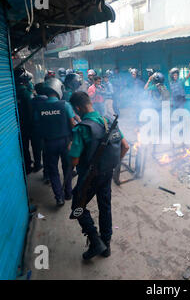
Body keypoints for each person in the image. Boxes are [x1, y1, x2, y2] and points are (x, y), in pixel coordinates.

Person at [68, 91, 130, 260]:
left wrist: (70, 148)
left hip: (89, 177)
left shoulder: (82, 129)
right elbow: (125, 146)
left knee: (77, 208)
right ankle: (106, 245)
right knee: (105, 206)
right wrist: (112, 165)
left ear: (78, 108)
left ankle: (95, 241)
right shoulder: (109, 120)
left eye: (75, 110)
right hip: (106, 173)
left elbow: (74, 161)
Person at [37, 78, 76, 206]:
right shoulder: (64, 104)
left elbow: (37, 124)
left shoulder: (40, 107)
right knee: (67, 167)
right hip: (65, 142)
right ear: (58, 89)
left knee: (53, 171)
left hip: (48, 144)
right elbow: (73, 123)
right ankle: (68, 193)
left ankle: (59, 197)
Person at [14, 67, 34, 175]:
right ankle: (29, 165)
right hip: (27, 123)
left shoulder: (12, 90)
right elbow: (31, 110)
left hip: (18, 123)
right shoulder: (26, 93)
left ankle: (26, 164)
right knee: (29, 145)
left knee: (23, 145)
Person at [30, 83, 48, 180]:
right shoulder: (48, 100)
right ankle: (46, 174)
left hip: (34, 129)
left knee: (36, 149)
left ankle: (37, 164)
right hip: (45, 129)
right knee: (46, 152)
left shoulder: (32, 100)